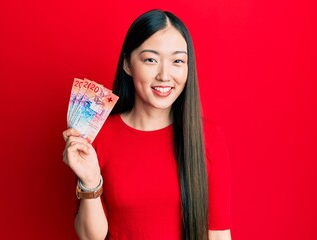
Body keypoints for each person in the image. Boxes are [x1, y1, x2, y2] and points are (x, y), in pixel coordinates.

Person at [63, 9, 231, 240]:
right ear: (127, 65)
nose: (164, 75)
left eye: (177, 61)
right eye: (150, 59)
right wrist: (90, 181)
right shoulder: (97, 135)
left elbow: (219, 234)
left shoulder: (208, 136)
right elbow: (91, 237)